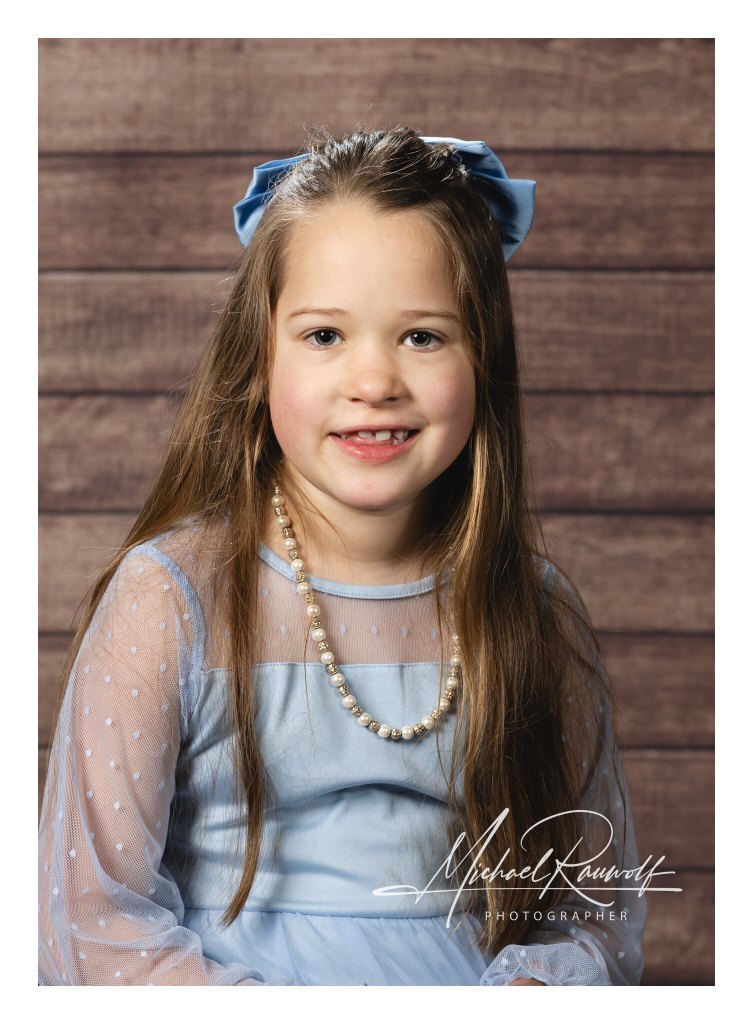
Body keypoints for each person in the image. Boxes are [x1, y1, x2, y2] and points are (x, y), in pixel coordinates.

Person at [38, 126, 647, 986]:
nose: (373, 382)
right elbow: (89, 920)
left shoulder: (534, 610)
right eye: (324, 335)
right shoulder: (170, 599)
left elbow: (593, 911)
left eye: (422, 337)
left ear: (484, 358)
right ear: (258, 359)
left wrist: (531, 987)